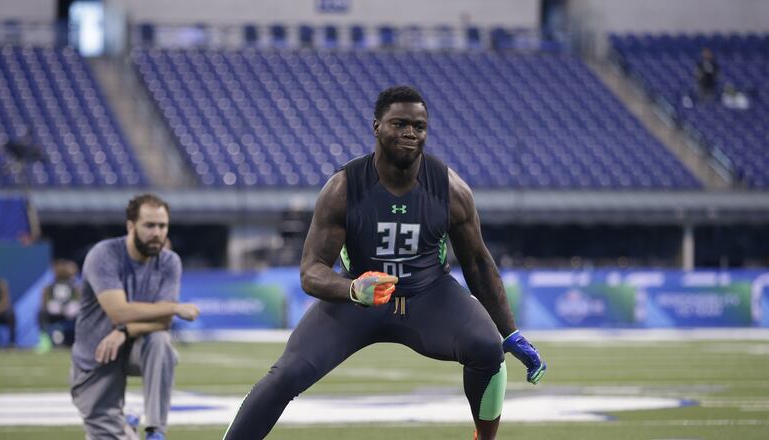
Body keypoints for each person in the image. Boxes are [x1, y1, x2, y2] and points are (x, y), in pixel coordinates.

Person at [223, 86, 546, 440]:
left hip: (428, 296)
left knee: (487, 348)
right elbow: (311, 272)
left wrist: (510, 332)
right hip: (358, 302)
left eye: (419, 126)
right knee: (285, 375)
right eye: (400, 123)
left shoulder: (451, 190)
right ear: (377, 126)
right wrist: (352, 288)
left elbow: (479, 264)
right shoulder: (343, 188)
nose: (410, 133)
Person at [70, 194, 200, 440]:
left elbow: (163, 322)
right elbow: (119, 311)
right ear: (131, 226)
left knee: (161, 342)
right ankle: (126, 428)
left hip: (135, 348)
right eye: (149, 225)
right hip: (96, 356)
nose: (157, 233)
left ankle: (155, 431)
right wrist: (173, 307)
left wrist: (124, 331)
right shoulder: (104, 255)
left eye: (162, 226)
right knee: (107, 435)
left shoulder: (170, 261)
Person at [37, 259, 81, 352]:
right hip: (55, 311)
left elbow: (78, 299)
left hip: (70, 310)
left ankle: (82, 340)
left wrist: (69, 306)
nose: (61, 270)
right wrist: (54, 306)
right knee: (41, 313)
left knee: (80, 312)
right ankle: (44, 340)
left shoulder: (74, 285)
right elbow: (45, 300)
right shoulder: (49, 286)